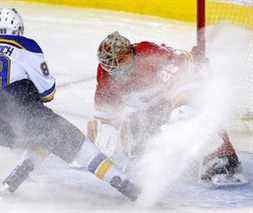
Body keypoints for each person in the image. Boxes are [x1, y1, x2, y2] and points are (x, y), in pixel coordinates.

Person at [0, 8, 140, 201]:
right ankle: (127, 185)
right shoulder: (25, 46)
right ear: (19, 27)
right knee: (76, 143)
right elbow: (47, 92)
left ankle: (14, 178)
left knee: (46, 135)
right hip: (18, 115)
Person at [87, 31, 244, 185]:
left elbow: (182, 88)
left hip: (181, 93)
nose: (115, 69)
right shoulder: (106, 74)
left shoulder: (149, 55)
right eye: (110, 65)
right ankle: (156, 163)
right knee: (134, 138)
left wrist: (178, 108)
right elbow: (105, 114)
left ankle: (221, 157)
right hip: (152, 106)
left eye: (119, 61)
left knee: (185, 113)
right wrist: (94, 144)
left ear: (130, 52)